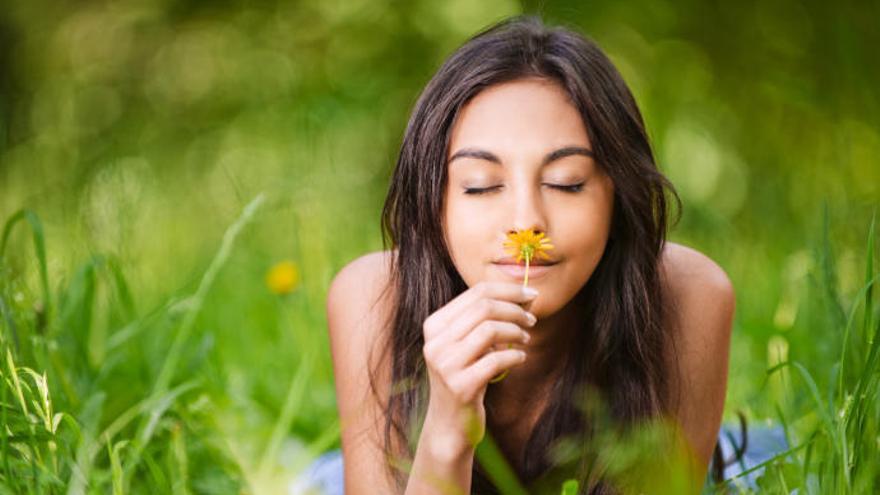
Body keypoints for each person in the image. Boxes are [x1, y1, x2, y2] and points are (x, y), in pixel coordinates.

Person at [323, 14, 742, 495]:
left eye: (567, 183)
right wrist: (444, 435)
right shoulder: (372, 297)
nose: (526, 221)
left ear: (617, 197)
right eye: (480, 187)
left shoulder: (690, 294)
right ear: (433, 202)